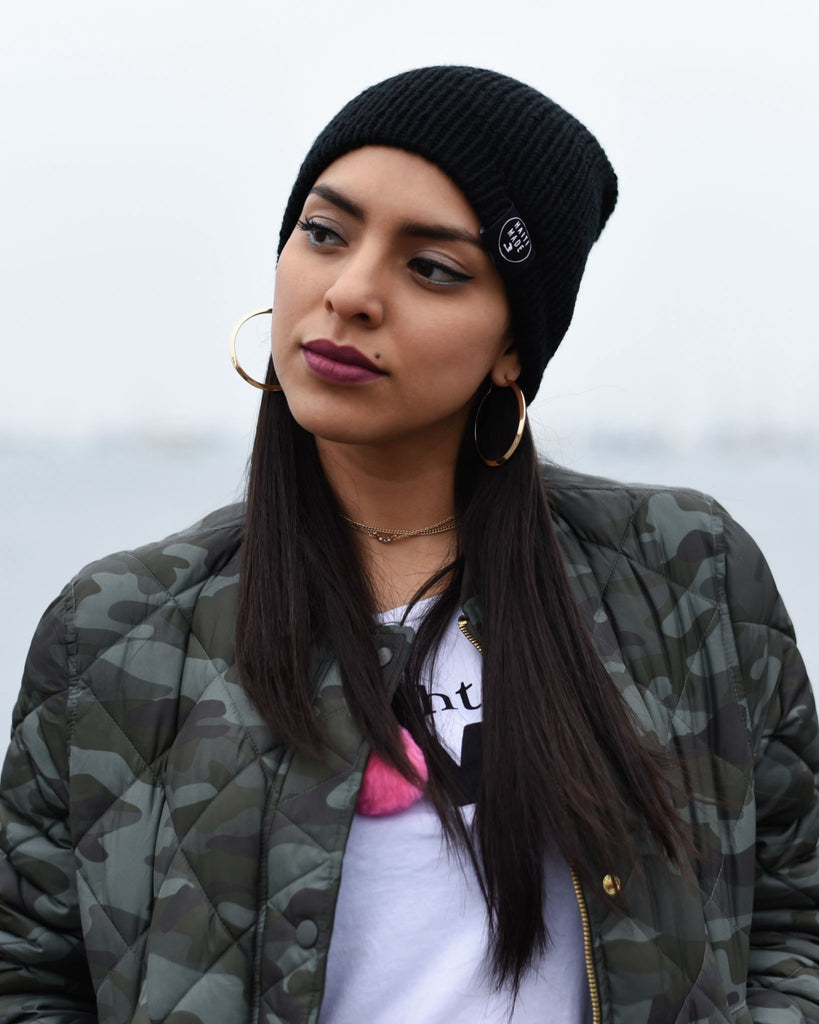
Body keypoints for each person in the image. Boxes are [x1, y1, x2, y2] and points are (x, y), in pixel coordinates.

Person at [0, 65, 817, 1024]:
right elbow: (28, 977)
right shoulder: (116, 630)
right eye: (324, 232)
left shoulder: (686, 574)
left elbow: (793, 919)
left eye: (431, 267)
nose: (349, 293)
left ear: (513, 346)